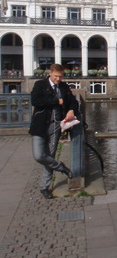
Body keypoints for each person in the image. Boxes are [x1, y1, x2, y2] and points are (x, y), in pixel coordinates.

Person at [29, 63, 78, 199]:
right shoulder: (40, 84)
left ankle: (45, 187)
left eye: (60, 77)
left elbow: (73, 101)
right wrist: (56, 101)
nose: (58, 79)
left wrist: (71, 110)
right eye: (56, 76)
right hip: (40, 125)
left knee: (50, 155)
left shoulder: (63, 87)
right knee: (39, 155)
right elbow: (36, 101)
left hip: (56, 126)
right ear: (50, 73)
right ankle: (61, 167)